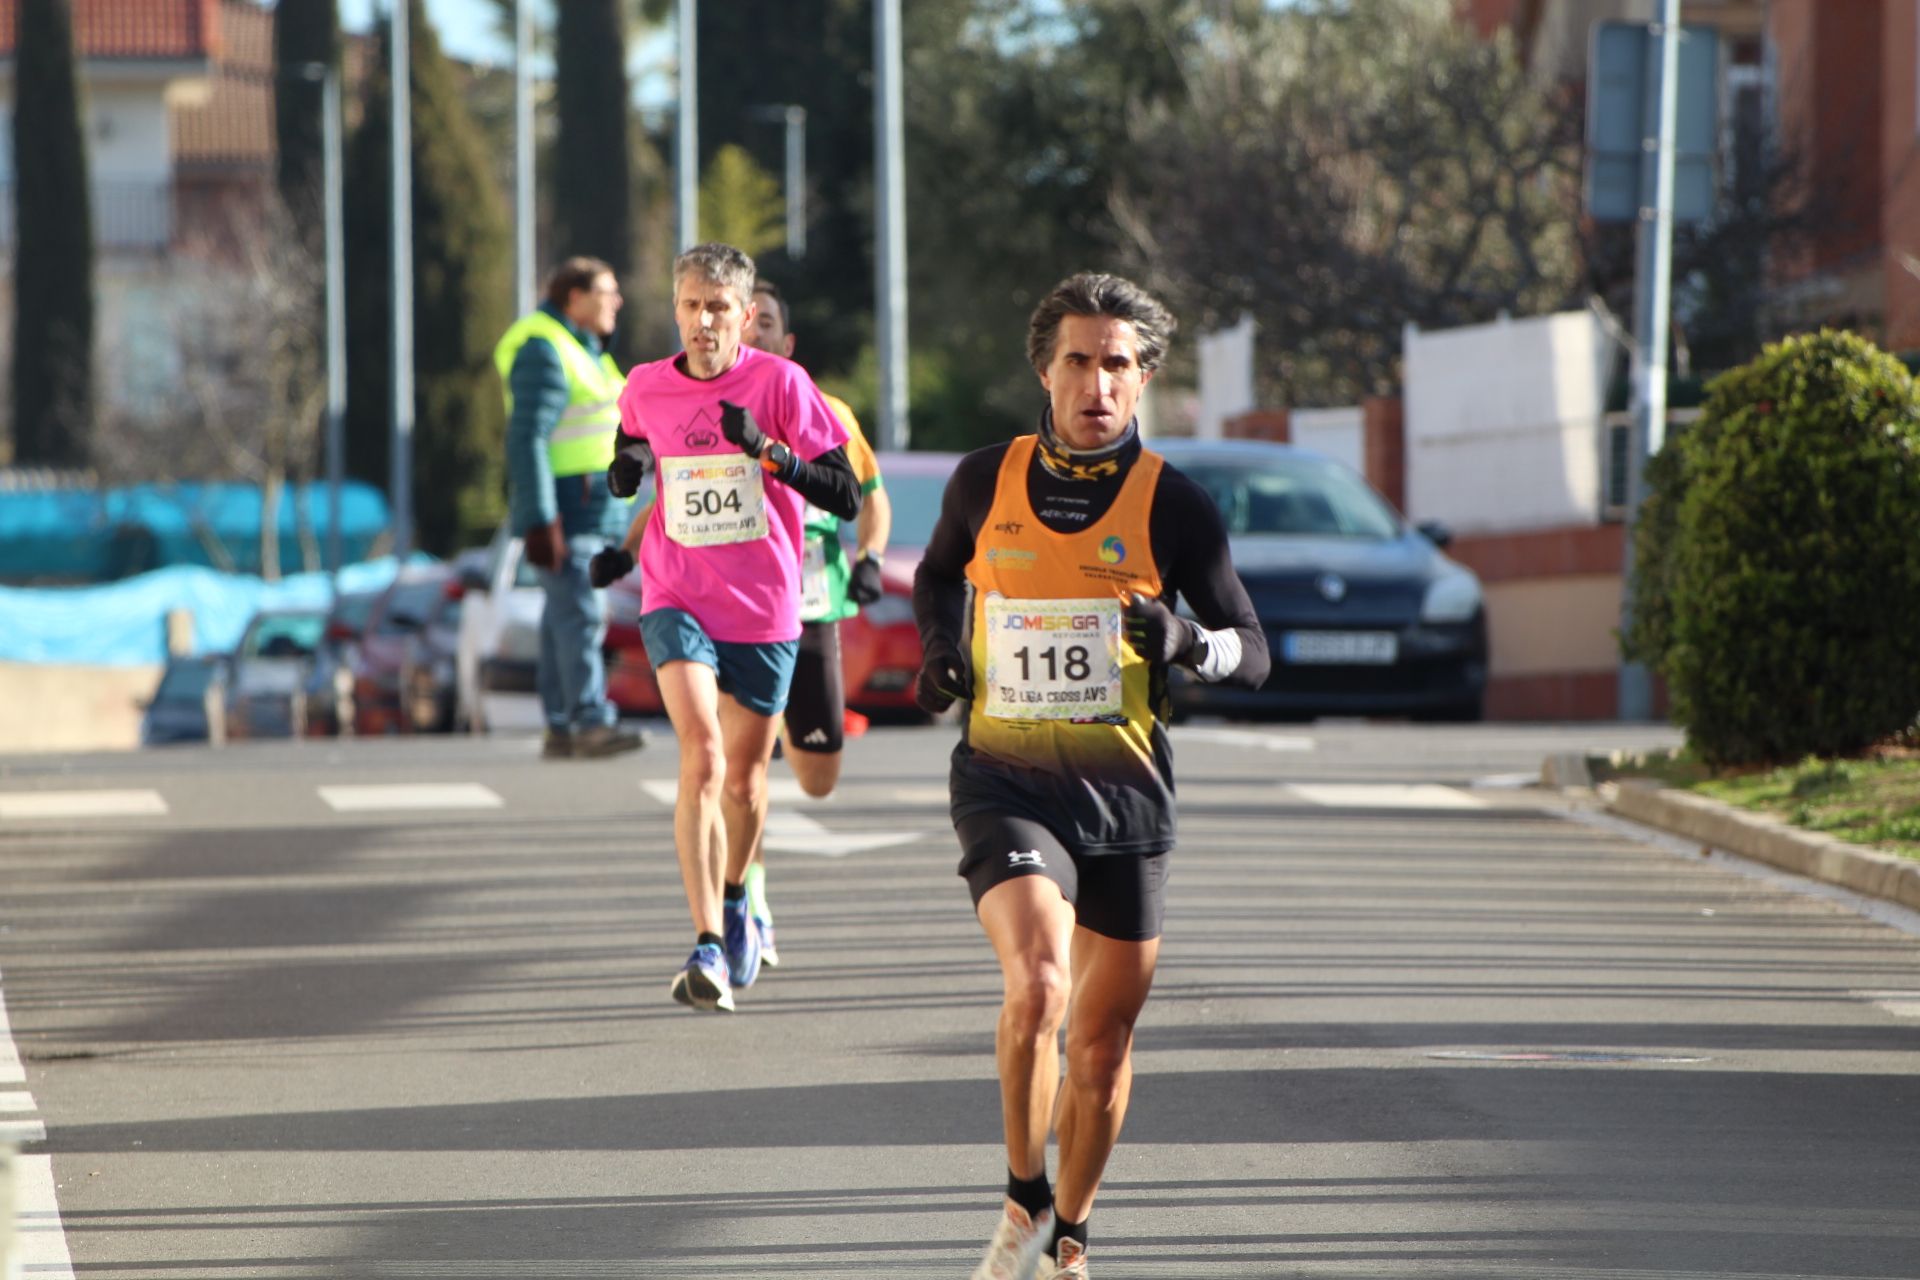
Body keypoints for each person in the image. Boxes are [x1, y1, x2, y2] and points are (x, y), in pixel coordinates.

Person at [912, 272, 1270, 1278]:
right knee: (1037, 982)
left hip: (1125, 796)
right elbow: (937, 572)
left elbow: (1256, 649)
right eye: (1079, 359)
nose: (1098, 383)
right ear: (1045, 366)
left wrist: (1187, 641)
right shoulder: (987, 479)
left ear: (1144, 377)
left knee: (1103, 1045)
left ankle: (1070, 1230)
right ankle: (1023, 1193)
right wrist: (941, 645)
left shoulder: (1176, 505)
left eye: (1118, 364)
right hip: (1004, 776)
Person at [606, 243, 860, 1013]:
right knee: (703, 756)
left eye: (719, 307)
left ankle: (739, 892)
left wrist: (768, 453)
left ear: (746, 315)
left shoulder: (783, 384)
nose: (703, 321)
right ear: (676, 308)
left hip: (764, 607)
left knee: (747, 782)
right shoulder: (646, 384)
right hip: (676, 594)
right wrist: (623, 470)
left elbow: (843, 492)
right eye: (690, 305)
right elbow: (629, 442)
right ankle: (707, 942)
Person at [736, 277, 893, 967]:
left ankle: (782, 743)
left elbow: (872, 499)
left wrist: (871, 559)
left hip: (810, 608)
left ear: (786, 340)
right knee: (742, 771)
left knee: (819, 777)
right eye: (745, 319)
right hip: (735, 613)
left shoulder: (830, 412)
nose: (754, 330)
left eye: (765, 320)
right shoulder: (710, 408)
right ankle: (751, 898)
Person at [495, 256, 645, 760]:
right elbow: (527, 436)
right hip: (569, 510)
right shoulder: (545, 348)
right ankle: (587, 720)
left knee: (565, 615)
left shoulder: (584, 347)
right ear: (574, 298)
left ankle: (563, 723)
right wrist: (538, 520)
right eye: (607, 292)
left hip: (589, 508)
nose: (617, 302)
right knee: (581, 613)